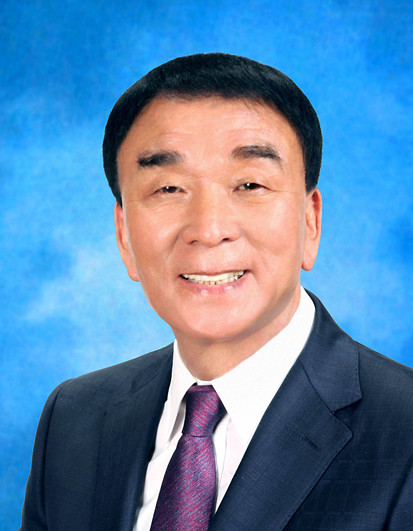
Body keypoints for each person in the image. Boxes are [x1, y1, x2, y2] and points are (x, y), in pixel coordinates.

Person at [21, 53, 413, 530]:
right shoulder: (74, 419)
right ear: (123, 236)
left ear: (310, 221)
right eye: (168, 189)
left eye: (249, 184)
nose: (208, 230)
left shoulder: (404, 431)